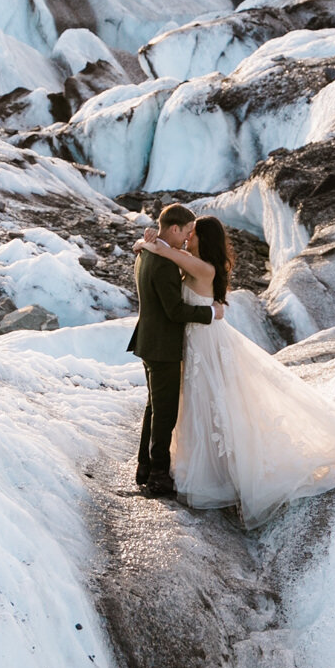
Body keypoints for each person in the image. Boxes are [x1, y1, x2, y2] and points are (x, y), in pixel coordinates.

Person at [138, 212, 335, 525]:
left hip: (206, 341)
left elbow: (166, 252)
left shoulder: (201, 267)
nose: (188, 237)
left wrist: (150, 243)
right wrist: (146, 239)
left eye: (193, 233)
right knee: (202, 402)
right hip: (197, 341)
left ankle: (217, 470)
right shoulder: (193, 259)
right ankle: (197, 464)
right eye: (187, 232)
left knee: (211, 401)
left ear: (202, 239)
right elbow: (168, 251)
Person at [129, 202, 218, 498]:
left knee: (153, 408)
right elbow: (175, 311)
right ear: (176, 228)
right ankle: (157, 477)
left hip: (148, 341)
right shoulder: (163, 261)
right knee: (164, 415)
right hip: (163, 347)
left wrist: (145, 239)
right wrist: (209, 314)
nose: (187, 239)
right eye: (186, 232)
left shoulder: (146, 252)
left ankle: (145, 467)